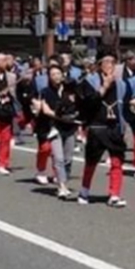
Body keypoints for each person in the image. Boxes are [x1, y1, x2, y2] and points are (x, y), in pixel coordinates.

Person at [75, 54, 127, 208]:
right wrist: (103, 87)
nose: (111, 65)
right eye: (107, 62)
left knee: (117, 161)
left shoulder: (121, 84)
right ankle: (84, 191)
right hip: (97, 126)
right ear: (99, 65)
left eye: (113, 62)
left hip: (114, 126)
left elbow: (125, 105)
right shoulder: (90, 82)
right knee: (91, 162)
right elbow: (86, 103)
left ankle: (115, 194)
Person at [33, 65, 79, 200]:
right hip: (54, 127)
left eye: (58, 73)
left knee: (68, 159)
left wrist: (74, 116)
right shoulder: (45, 91)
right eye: (53, 74)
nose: (56, 76)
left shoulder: (70, 90)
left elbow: (78, 105)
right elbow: (46, 110)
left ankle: (64, 179)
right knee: (58, 158)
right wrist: (59, 117)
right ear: (49, 77)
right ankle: (62, 186)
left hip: (70, 127)